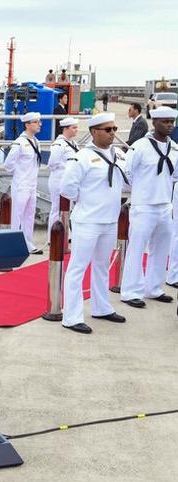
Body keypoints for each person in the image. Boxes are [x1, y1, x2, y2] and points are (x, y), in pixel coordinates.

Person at [59, 113, 128, 334]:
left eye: (114, 129)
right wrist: (88, 200)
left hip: (109, 220)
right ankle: (71, 316)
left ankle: (101, 307)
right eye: (108, 130)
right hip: (88, 220)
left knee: (101, 266)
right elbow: (67, 188)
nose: (113, 134)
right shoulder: (83, 157)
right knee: (78, 268)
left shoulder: (118, 154)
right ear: (94, 132)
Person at [121, 107, 178, 308]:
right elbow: (127, 173)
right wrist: (142, 189)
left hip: (164, 205)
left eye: (172, 121)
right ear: (154, 123)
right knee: (136, 249)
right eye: (165, 121)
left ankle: (153, 288)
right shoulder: (140, 146)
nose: (170, 125)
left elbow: (174, 175)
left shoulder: (174, 148)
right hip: (144, 205)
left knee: (161, 249)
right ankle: (130, 291)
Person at [3, 112, 43, 254]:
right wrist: (19, 174)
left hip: (32, 184)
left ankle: (28, 243)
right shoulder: (20, 142)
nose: (39, 124)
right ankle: (13, 245)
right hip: (21, 184)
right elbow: (8, 164)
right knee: (17, 215)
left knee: (29, 215)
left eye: (39, 122)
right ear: (27, 124)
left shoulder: (36, 142)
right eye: (36, 122)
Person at [46, 117, 80, 243]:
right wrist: (65, 169)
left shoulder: (73, 143)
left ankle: (66, 234)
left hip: (69, 181)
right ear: (66, 129)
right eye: (74, 127)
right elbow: (52, 163)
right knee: (56, 208)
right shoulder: (59, 144)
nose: (76, 130)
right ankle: (52, 236)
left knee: (67, 209)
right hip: (58, 179)